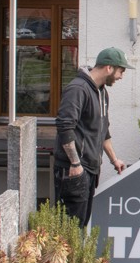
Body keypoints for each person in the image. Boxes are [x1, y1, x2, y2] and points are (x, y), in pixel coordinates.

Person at [54, 46, 133, 225]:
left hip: (90, 169)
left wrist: (114, 160)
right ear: (109, 68)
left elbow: (103, 130)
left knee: (81, 223)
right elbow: (65, 126)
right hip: (73, 169)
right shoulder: (78, 89)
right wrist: (75, 164)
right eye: (121, 71)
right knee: (69, 226)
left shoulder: (102, 92)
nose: (122, 76)